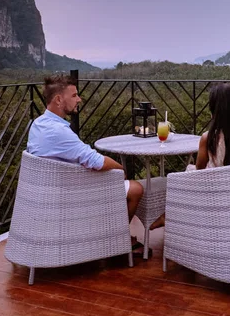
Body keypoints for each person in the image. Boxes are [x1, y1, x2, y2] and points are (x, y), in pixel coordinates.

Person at [27, 75, 144, 252]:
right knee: (135, 188)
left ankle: (107, 234)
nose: (79, 99)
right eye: (74, 95)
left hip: (49, 194)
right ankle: (116, 239)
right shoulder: (58, 131)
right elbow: (96, 161)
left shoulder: (39, 124)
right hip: (71, 198)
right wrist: (121, 171)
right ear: (59, 99)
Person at [149, 82, 230, 230]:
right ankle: (168, 217)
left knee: (186, 175)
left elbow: (200, 169)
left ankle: (168, 216)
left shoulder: (210, 137)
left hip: (217, 196)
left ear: (215, 110)